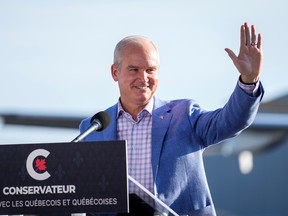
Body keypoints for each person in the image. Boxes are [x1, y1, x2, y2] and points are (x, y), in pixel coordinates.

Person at [79, 22, 264, 215]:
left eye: (151, 70)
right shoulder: (94, 128)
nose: (144, 78)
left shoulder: (184, 115)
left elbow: (231, 122)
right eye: (134, 69)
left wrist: (248, 80)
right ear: (115, 72)